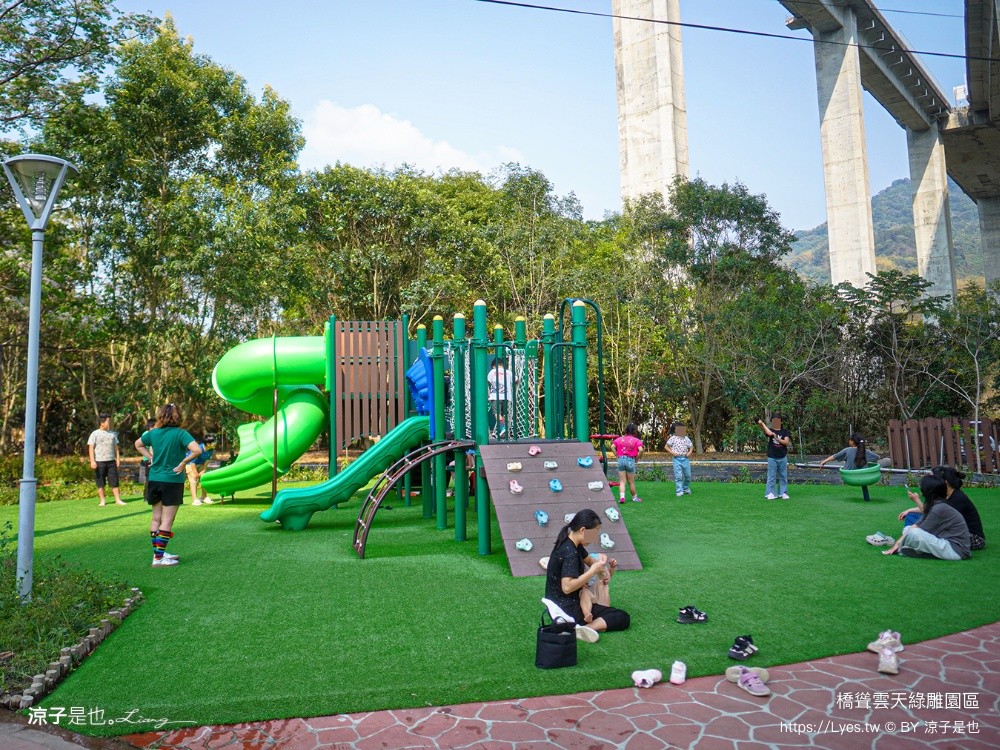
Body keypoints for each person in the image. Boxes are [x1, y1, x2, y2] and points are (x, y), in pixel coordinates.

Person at [543, 509, 630, 639]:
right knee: (622, 617)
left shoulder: (571, 543)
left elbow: (589, 560)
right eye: (594, 533)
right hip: (567, 609)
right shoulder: (570, 552)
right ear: (583, 530)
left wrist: (602, 567)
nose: (594, 539)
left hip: (560, 606)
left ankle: (582, 627)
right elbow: (567, 587)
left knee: (605, 610)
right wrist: (592, 571)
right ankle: (584, 629)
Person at [134, 404, 202, 567]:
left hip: (154, 480)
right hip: (172, 481)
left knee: (156, 518)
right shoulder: (181, 434)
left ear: (161, 416)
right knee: (167, 521)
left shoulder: (153, 433)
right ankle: (158, 559)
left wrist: (150, 457)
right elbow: (197, 450)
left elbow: (138, 444)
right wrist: (184, 462)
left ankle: (158, 554)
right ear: (178, 417)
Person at [897, 466, 986, 550]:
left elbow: (933, 516)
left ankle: (911, 537)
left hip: (971, 537)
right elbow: (931, 510)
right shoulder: (944, 494)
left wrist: (917, 501)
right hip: (949, 528)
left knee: (924, 525)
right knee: (912, 515)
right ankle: (910, 535)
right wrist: (910, 510)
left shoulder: (958, 498)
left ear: (945, 482)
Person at [883, 474, 970, 560]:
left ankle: (922, 551)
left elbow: (920, 530)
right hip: (946, 543)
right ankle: (923, 551)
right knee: (908, 529)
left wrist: (898, 544)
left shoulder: (939, 508)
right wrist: (898, 543)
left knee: (913, 533)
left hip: (957, 551)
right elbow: (917, 524)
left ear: (927, 491)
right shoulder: (935, 505)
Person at [88, 413, 125, 507]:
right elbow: (91, 448)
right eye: (108, 422)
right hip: (99, 461)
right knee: (100, 482)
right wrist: (92, 461)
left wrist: (118, 459)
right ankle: (102, 501)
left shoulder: (113, 434)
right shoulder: (95, 434)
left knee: (114, 481)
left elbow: (116, 448)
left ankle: (118, 500)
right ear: (102, 423)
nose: (110, 424)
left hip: (111, 461)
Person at [757, 414, 791, 500]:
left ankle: (783, 493)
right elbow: (769, 433)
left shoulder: (785, 432)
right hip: (772, 457)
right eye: (774, 420)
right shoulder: (771, 430)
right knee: (771, 476)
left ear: (781, 421)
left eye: (777, 420)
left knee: (783, 476)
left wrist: (777, 439)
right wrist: (762, 424)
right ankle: (770, 493)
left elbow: (786, 442)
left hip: (782, 457)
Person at [612, 423, 644, 504]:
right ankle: (634, 498)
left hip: (621, 460)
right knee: (631, 482)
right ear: (634, 431)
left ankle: (622, 497)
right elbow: (641, 450)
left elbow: (612, 446)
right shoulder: (636, 440)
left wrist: (616, 454)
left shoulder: (620, 439)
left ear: (626, 431)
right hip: (630, 460)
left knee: (622, 481)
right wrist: (638, 458)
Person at [818, 433, 885, 470]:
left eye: (849, 439)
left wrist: (824, 461)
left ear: (852, 442)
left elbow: (835, 456)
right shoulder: (866, 452)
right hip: (863, 477)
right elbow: (877, 457)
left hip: (849, 477)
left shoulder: (847, 450)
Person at [486, 357, 513, 438]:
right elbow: (516, 380)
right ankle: (500, 430)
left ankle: (503, 427)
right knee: (502, 414)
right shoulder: (508, 372)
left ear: (494, 366)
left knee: (496, 413)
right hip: (506, 397)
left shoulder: (492, 371)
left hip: (495, 396)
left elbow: (488, 382)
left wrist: (488, 392)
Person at [186, 434, 216, 506]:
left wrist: (204, 470)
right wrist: (196, 473)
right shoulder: (199, 449)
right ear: (208, 444)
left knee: (204, 478)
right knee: (193, 480)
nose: (216, 443)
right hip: (190, 463)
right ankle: (194, 500)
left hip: (200, 463)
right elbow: (192, 462)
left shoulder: (211, 449)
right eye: (214, 442)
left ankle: (203, 497)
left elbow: (207, 460)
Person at [666, 422, 694, 497]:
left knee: (688, 475)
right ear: (675, 430)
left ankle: (685, 488)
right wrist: (673, 453)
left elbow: (691, 446)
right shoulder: (672, 438)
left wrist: (689, 453)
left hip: (685, 459)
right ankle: (679, 491)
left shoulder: (686, 438)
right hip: (676, 459)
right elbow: (666, 446)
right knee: (678, 476)